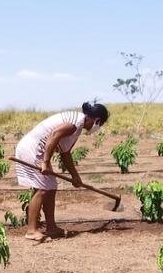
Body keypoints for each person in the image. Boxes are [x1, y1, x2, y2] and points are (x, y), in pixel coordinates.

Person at [14, 101, 109, 243]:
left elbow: (65, 154)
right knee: (42, 189)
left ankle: (51, 227)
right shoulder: (74, 124)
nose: (98, 128)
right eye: (100, 124)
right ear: (96, 120)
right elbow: (53, 136)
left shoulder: (77, 125)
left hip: (38, 150)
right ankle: (31, 230)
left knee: (51, 187)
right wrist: (45, 162)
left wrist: (75, 176)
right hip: (33, 149)